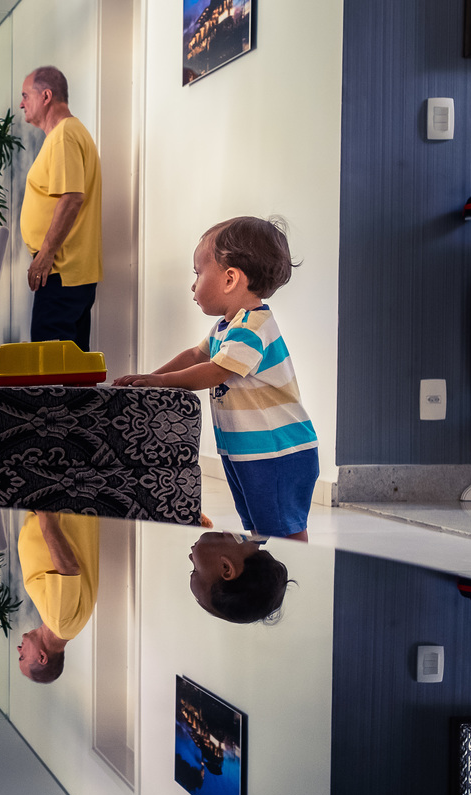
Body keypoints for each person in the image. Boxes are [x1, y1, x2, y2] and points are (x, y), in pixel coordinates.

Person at [114, 216, 318, 549]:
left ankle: (295, 567)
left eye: (198, 273)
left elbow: (215, 371)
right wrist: (150, 381)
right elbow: (196, 355)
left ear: (230, 279)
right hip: (248, 451)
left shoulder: (253, 327)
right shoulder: (226, 327)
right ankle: (263, 571)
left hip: (278, 452)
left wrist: (162, 382)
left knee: (285, 530)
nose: (193, 285)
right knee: (260, 526)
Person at [19, 66, 103, 352]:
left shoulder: (64, 135)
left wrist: (45, 255)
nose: (21, 104)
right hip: (69, 270)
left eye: (25, 96)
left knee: (50, 361)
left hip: (60, 270)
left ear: (45, 96)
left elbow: (71, 198)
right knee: (71, 362)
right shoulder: (69, 133)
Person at [17, 511, 99, 684]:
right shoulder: (61, 623)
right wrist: (45, 515)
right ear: (42, 657)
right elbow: (68, 568)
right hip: (57, 507)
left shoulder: (67, 626)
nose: (19, 649)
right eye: (22, 657)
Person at [187, 531, 292, 624]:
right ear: (226, 568)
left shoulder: (257, 529)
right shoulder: (255, 521)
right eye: (195, 569)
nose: (190, 557)